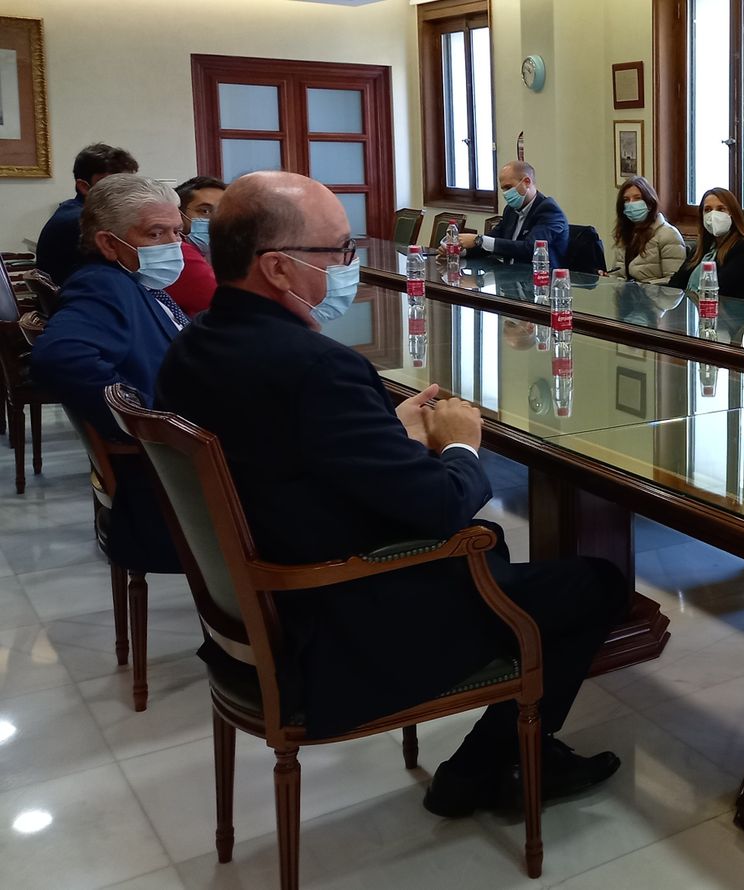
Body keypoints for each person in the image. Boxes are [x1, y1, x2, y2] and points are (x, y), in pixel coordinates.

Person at [156, 171, 628, 816]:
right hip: (347, 619)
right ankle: (490, 766)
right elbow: (440, 504)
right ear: (277, 269)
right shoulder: (317, 366)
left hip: (265, 604)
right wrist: (461, 442)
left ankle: (506, 758)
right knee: (594, 584)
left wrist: (388, 433)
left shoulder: (195, 344)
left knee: (540, 576)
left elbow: (293, 453)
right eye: (338, 252)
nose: (349, 267)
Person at [30, 173, 188, 573]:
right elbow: (58, 356)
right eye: (156, 233)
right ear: (107, 242)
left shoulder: (136, 280)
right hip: (169, 485)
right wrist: (145, 417)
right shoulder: (102, 285)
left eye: (177, 232)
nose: (174, 245)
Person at [35, 143, 139, 284]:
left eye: (129, 184)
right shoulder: (83, 222)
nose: (128, 192)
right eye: (114, 185)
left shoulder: (72, 209)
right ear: (84, 187)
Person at [459, 161, 569, 266]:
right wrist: (461, 251)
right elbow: (492, 242)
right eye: (503, 189)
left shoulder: (549, 210)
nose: (506, 194)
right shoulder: (510, 210)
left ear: (526, 182)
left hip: (540, 279)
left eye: (508, 187)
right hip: (509, 277)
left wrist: (479, 240)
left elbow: (531, 248)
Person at [667, 188, 744, 301]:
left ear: (733, 214)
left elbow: (721, 289)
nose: (713, 214)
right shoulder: (700, 249)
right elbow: (675, 284)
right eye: (708, 210)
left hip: (727, 315)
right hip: (691, 313)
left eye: (721, 209)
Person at [165, 175, 227, 315]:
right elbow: (232, 306)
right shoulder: (180, 253)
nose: (216, 220)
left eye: (223, 212)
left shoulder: (213, 254)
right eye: (205, 211)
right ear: (179, 214)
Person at [609, 176, 685, 284]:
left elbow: (675, 282)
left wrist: (643, 287)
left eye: (637, 198)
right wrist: (607, 278)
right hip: (626, 298)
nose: (631, 204)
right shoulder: (626, 234)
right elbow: (618, 274)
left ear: (649, 202)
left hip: (655, 299)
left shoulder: (668, 234)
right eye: (626, 200)